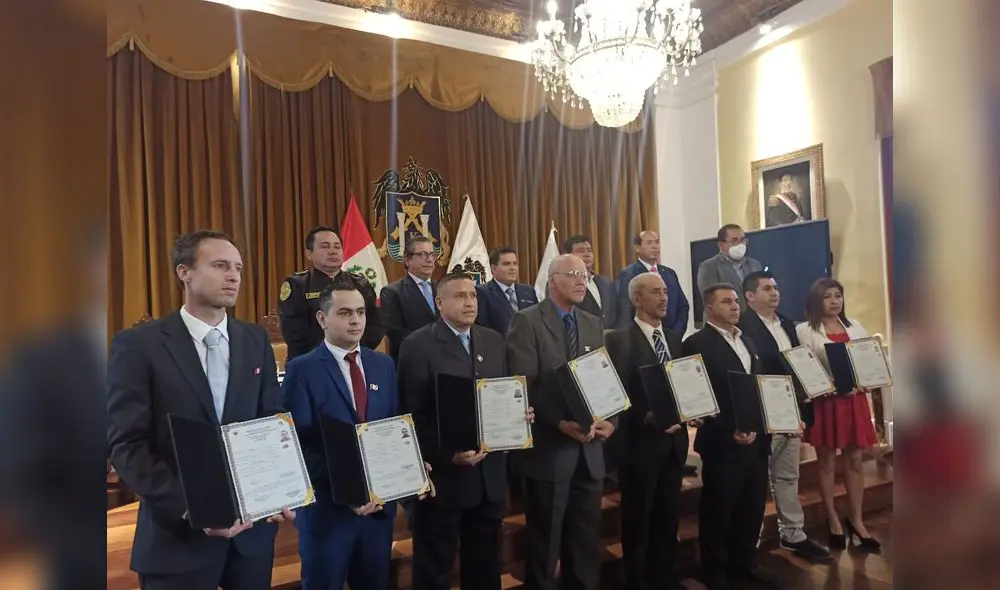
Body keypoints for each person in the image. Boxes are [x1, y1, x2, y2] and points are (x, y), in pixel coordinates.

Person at [107, 230, 293, 590]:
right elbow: (127, 445)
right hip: (176, 542)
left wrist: (282, 487)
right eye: (220, 265)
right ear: (184, 273)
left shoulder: (254, 340)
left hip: (251, 540)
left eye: (238, 267)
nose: (234, 276)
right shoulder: (138, 345)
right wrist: (192, 508)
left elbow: (271, 421)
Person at [398, 272, 534, 590]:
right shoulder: (418, 345)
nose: (469, 302)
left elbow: (502, 392)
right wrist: (446, 456)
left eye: (473, 295)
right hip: (445, 480)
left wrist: (518, 415)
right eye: (460, 296)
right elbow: (410, 416)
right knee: (435, 570)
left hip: (489, 478)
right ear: (439, 303)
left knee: (485, 567)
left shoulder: (492, 339)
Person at [280, 281, 413, 589]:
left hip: (377, 512)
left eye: (360, 312)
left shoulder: (382, 365)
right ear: (322, 319)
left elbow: (392, 429)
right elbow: (297, 445)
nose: (356, 320)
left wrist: (410, 468)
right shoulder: (302, 370)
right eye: (344, 313)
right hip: (328, 512)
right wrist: (347, 490)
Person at [506, 254, 615, 590]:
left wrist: (610, 420)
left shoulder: (592, 322)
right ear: (553, 279)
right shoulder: (526, 321)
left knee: (584, 542)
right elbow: (524, 384)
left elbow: (602, 379)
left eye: (586, 275)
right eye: (574, 275)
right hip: (550, 449)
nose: (583, 281)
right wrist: (558, 423)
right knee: (545, 541)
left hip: (590, 449)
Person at [683, 284, 777, 590]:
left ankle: (745, 562)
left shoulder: (747, 341)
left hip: (757, 441)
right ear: (709, 308)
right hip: (722, 443)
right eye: (726, 301)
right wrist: (729, 430)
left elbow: (758, 388)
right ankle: (715, 571)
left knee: (751, 508)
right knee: (719, 511)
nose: (735, 306)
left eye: (736, 300)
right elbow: (698, 396)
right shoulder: (696, 343)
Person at [737, 272, 829, 560]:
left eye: (776, 287)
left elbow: (797, 364)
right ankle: (746, 542)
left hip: (791, 409)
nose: (774, 293)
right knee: (753, 481)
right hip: (760, 413)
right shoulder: (742, 326)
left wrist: (809, 391)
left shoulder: (787, 323)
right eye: (767, 289)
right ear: (750, 296)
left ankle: (793, 533)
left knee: (788, 475)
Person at [605, 273, 688, 590]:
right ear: (636, 299)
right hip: (639, 446)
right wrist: (646, 416)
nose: (664, 298)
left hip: (673, 444)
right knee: (638, 521)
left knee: (667, 518)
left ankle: (664, 577)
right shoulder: (617, 340)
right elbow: (616, 394)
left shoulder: (675, 339)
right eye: (656, 292)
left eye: (666, 292)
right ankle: (638, 581)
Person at [796, 278, 881, 553]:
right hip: (826, 402)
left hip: (855, 400)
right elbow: (805, 368)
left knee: (855, 461)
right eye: (828, 297)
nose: (835, 301)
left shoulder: (855, 326)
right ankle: (832, 518)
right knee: (826, 463)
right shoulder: (805, 330)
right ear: (817, 301)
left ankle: (856, 520)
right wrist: (831, 386)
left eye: (838, 296)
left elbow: (869, 359)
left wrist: (870, 378)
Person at [279, 226, 384, 359]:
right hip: (310, 361)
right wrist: (334, 352)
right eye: (325, 246)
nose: (333, 251)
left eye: (337, 247)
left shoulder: (360, 283)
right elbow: (293, 331)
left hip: (354, 359)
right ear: (309, 254)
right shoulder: (297, 285)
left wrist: (350, 350)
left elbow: (375, 324)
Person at [616, 230, 689, 333]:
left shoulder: (669, 273)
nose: (655, 246)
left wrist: (675, 334)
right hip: (642, 337)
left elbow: (683, 306)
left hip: (672, 337)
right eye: (649, 243)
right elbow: (625, 310)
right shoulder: (628, 274)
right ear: (637, 248)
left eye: (657, 242)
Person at [381, 235, 439, 361]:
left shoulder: (442, 288)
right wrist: (433, 345)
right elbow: (396, 333)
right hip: (413, 360)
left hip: (445, 360)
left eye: (432, 255)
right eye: (422, 254)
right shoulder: (392, 292)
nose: (429, 260)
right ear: (407, 260)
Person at [696, 224, 764, 312]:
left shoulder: (755, 265)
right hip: (723, 321)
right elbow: (712, 299)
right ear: (721, 245)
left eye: (742, 240)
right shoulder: (708, 267)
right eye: (734, 240)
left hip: (753, 320)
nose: (740, 244)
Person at [475, 246, 538, 336]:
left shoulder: (528, 291)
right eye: (507, 264)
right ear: (494, 269)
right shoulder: (482, 292)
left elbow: (536, 321)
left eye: (515, 263)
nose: (512, 268)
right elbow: (482, 328)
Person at [562, 234, 618, 330]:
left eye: (589, 250)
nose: (587, 254)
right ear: (568, 255)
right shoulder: (563, 283)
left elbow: (617, 312)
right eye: (580, 251)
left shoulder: (606, 283)